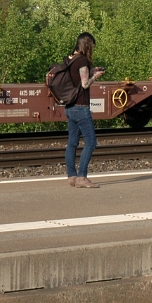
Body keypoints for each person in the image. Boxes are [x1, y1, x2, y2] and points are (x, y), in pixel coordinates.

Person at [65, 32, 104, 188]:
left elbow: (76, 77)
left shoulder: (70, 59)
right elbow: (85, 84)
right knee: (91, 142)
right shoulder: (82, 60)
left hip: (69, 107)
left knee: (72, 142)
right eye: (92, 46)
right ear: (87, 44)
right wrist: (95, 77)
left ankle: (72, 176)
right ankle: (82, 177)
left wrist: (91, 71)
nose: (92, 49)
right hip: (81, 107)